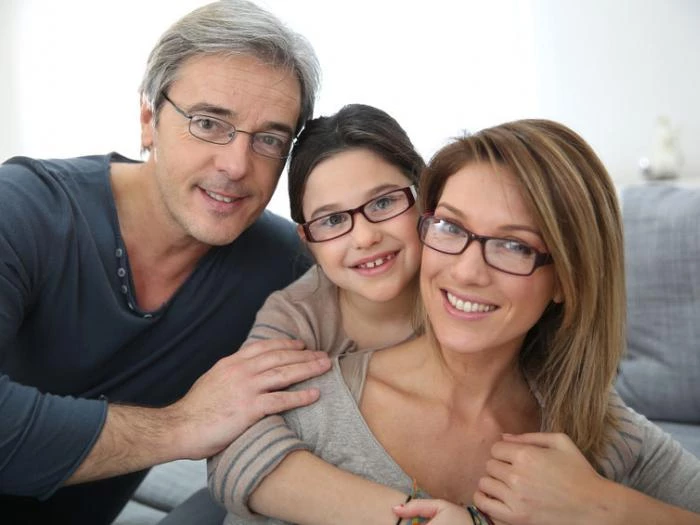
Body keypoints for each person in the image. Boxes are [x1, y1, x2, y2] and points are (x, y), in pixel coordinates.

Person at [217, 119, 700, 524]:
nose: (467, 271)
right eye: (451, 227)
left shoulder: (602, 432)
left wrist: (599, 507)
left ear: (566, 280)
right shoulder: (309, 399)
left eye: (514, 245)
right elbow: (228, 438)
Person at [0, 1, 332, 523]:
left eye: (269, 139)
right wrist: (182, 425)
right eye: (207, 123)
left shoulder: (282, 262)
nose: (236, 165)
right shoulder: (21, 209)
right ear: (149, 118)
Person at [207, 102, 426, 517]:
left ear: (423, 195)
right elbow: (232, 438)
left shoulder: (466, 281)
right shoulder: (296, 314)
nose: (363, 237)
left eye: (382, 203)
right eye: (331, 221)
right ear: (307, 240)